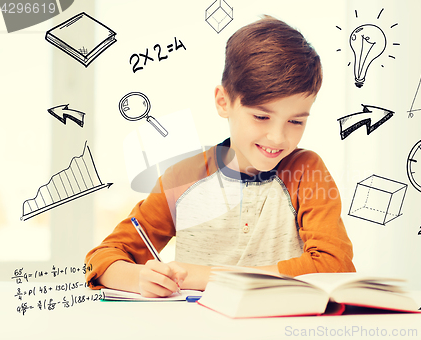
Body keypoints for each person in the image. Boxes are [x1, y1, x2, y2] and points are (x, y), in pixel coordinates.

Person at [85, 15, 355, 297]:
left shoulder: (306, 172)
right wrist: (139, 277)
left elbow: (334, 266)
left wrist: (202, 275)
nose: (278, 137)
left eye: (296, 121)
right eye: (261, 116)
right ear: (223, 102)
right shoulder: (182, 178)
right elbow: (101, 258)